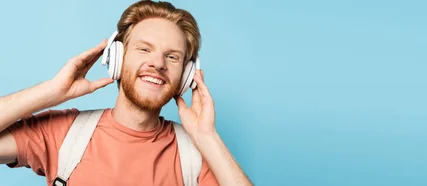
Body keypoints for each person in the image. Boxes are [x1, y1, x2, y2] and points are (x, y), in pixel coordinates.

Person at [0, 0, 252, 185]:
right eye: (144, 49)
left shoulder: (195, 154)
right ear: (117, 59)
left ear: (185, 77)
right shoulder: (64, 133)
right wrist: (52, 91)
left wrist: (207, 136)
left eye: (172, 56)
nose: (158, 63)